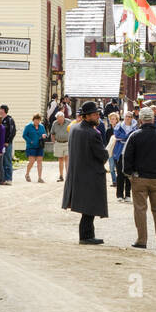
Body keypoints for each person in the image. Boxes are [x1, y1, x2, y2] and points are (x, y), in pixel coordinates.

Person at [121, 107, 156, 249]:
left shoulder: (134, 136)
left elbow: (126, 157)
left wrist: (129, 174)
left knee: (140, 209)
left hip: (139, 177)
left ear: (140, 120)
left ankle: (142, 240)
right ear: (153, 119)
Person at [62, 101, 109, 244]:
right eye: (95, 114)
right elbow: (102, 155)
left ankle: (87, 235)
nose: (98, 117)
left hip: (78, 172)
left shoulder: (75, 129)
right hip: (90, 174)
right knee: (89, 207)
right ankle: (86, 236)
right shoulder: (92, 133)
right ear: (87, 116)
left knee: (86, 207)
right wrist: (107, 152)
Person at [111, 110, 136, 202]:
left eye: (129, 116)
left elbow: (133, 137)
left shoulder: (135, 127)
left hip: (130, 154)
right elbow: (117, 135)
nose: (127, 118)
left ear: (132, 118)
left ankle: (128, 195)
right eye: (126, 116)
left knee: (129, 174)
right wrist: (127, 137)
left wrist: (124, 137)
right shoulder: (119, 126)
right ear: (123, 117)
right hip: (119, 153)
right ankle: (119, 195)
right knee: (120, 174)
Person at [22, 114, 48, 182]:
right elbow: (24, 135)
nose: (37, 121)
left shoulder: (41, 126)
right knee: (32, 161)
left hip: (40, 146)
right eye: (36, 120)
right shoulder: (28, 126)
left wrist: (44, 135)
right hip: (31, 147)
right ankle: (27, 174)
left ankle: (39, 178)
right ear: (33, 120)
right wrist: (30, 141)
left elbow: (45, 134)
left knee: (39, 161)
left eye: (39, 120)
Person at [0, 105, 16, 184]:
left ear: (3, 110)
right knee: (1, 162)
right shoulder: (0, 120)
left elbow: (12, 132)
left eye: (0, 109)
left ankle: (9, 179)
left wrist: (8, 141)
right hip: (0, 144)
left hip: (6, 144)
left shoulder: (9, 119)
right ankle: (2, 178)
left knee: (7, 161)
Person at [50, 112, 70, 181]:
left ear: (64, 117)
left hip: (67, 143)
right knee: (60, 160)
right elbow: (52, 133)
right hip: (58, 143)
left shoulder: (68, 122)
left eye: (61, 119)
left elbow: (72, 131)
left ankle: (68, 176)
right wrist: (53, 142)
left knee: (67, 159)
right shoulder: (55, 123)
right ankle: (61, 176)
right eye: (58, 119)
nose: (60, 121)